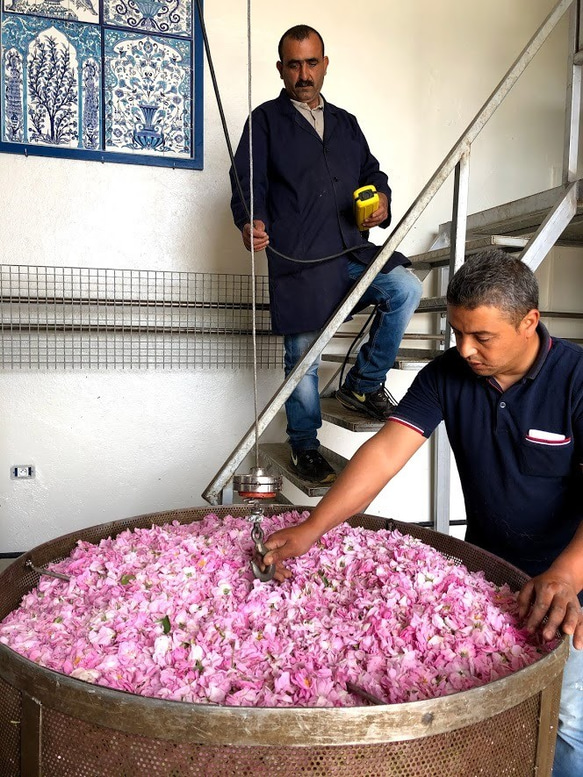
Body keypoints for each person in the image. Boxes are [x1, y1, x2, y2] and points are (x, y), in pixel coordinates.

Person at [262, 249, 583, 776]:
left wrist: (567, 576)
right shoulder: (447, 375)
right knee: (489, 719)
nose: (466, 349)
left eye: (483, 337)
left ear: (530, 322)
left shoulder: (576, 379)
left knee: (565, 725)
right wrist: (314, 528)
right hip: (493, 582)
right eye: (457, 332)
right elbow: (386, 453)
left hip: (570, 583)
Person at [230, 24, 422, 485]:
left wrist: (381, 200)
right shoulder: (265, 121)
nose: (303, 73)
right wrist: (250, 220)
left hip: (351, 248)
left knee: (405, 287)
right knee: (303, 355)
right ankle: (305, 445)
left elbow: (373, 173)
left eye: (311, 62)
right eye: (294, 64)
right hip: (299, 257)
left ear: (325, 64)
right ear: (280, 68)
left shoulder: (346, 123)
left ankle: (363, 383)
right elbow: (246, 182)